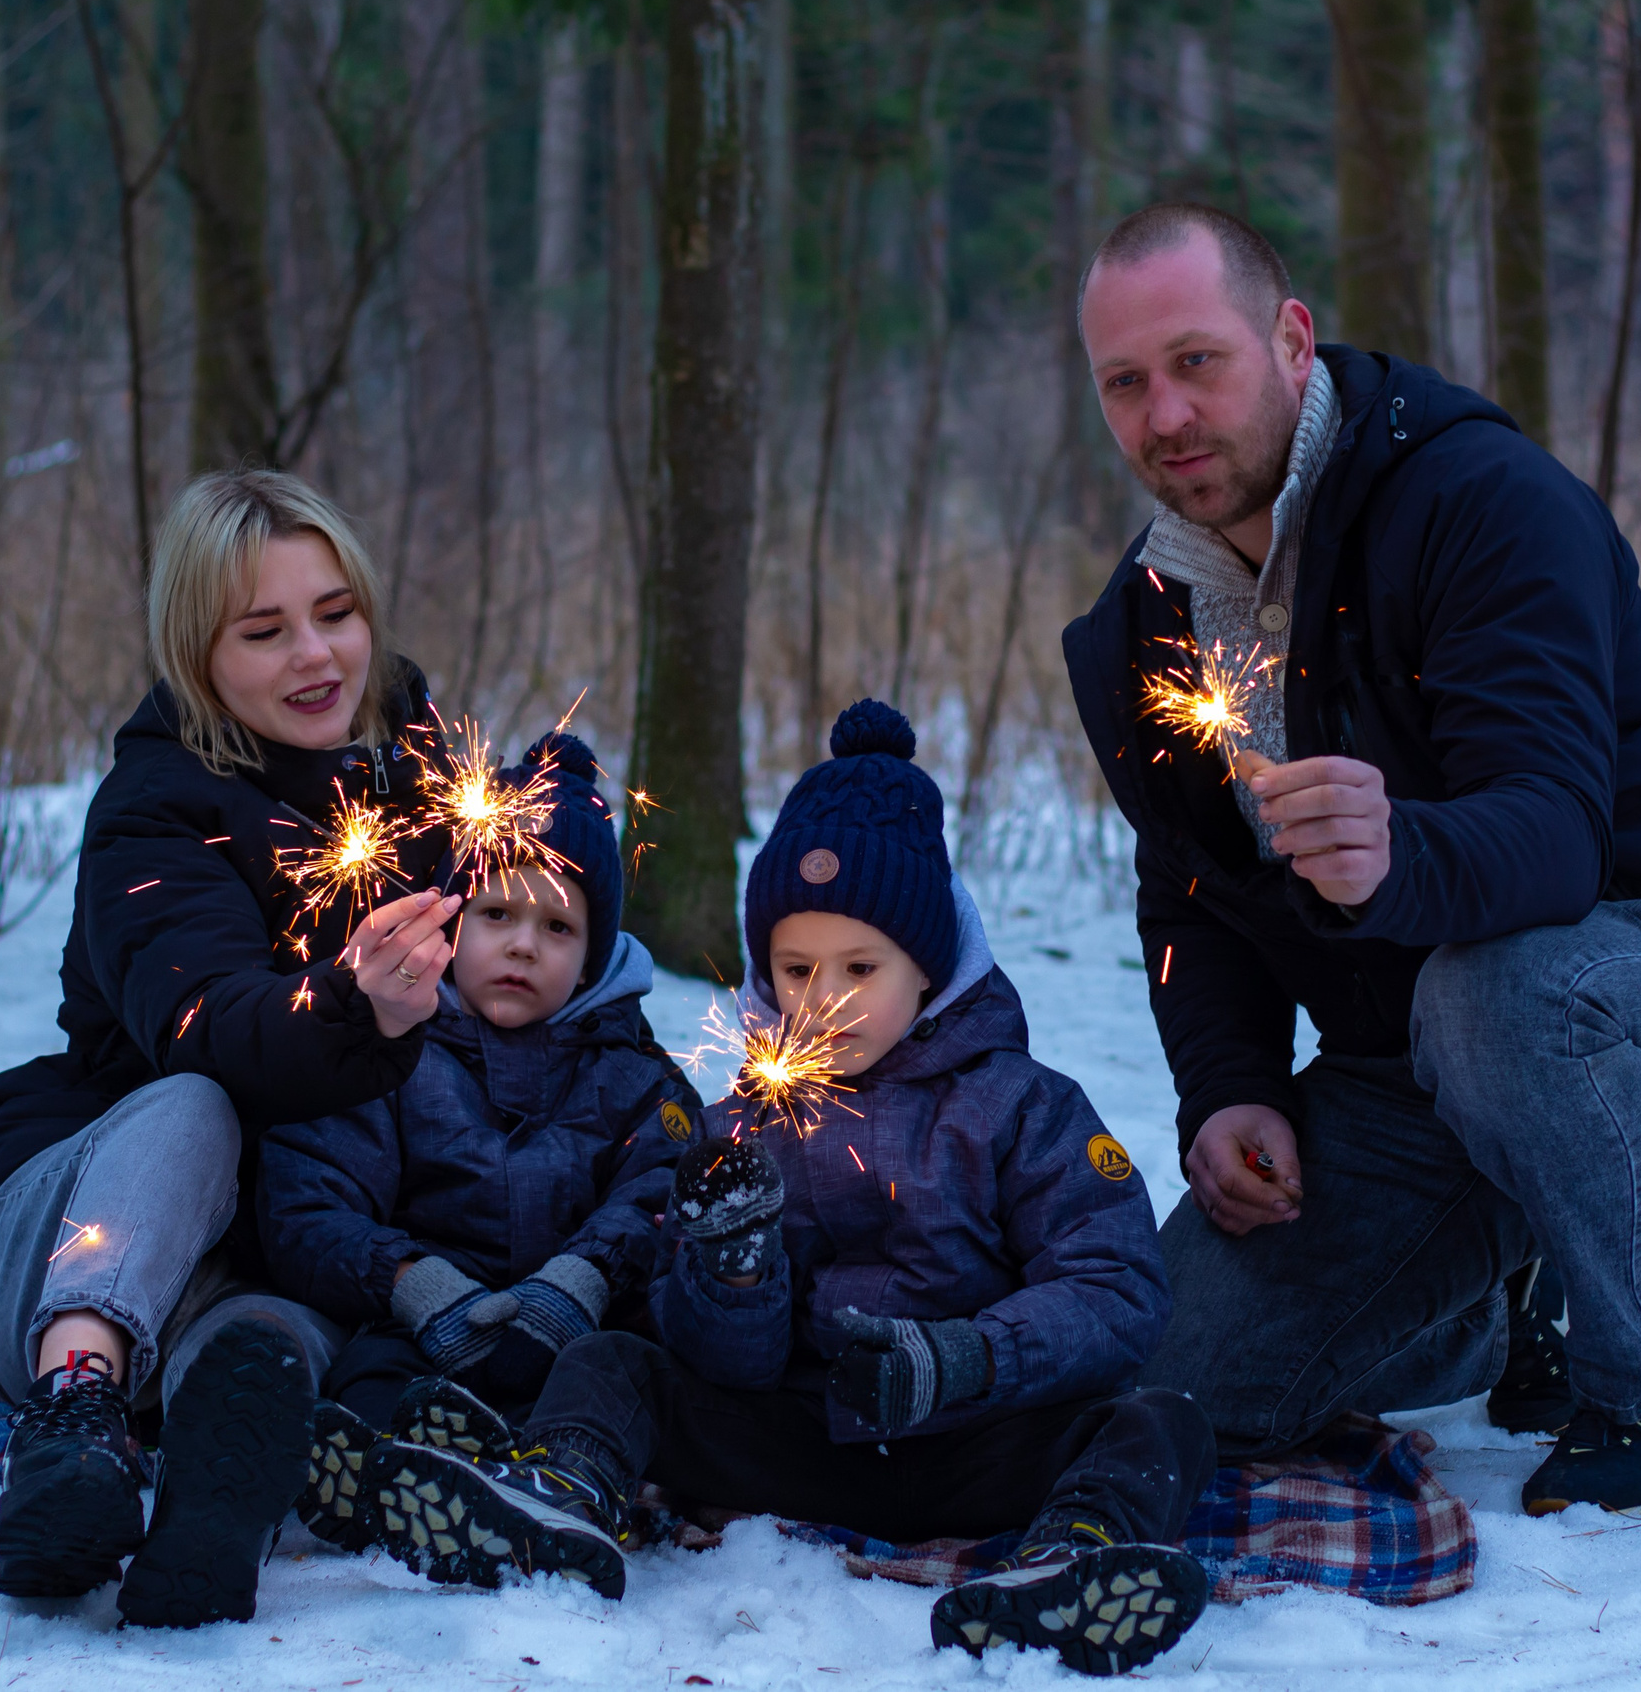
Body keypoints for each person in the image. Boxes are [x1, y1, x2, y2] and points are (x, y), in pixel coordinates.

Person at [1064, 203, 1641, 1518]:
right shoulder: (1144, 621)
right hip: (1404, 1079)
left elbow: (1558, 832)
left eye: (1197, 361)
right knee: (1170, 1374)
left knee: (1501, 992)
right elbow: (1187, 887)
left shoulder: (1478, 503)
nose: (1165, 412)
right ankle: (1504, 1290)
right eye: (1125, 382)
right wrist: (1228, 1089)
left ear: (1292, 340)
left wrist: (1400, 849)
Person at [351, 702, 1217, 1678]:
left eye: (861, 968)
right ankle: (555, 1499)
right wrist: (730, 1271)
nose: (826, 997)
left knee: (1159, 1420)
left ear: (926, 973)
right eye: (796, 968)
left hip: (972, 1443)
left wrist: (966, 1358)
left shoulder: (1023, 1108)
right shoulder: (737, 1125)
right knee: (614, 1361)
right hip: (793, 1439)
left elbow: (1115, 1287)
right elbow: (720, 1356)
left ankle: (1074, 1560)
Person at [0, 470, 462, 1625]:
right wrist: (357, 998)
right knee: (197, 1103)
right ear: (199, 653)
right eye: (265, 631)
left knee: (275, 1333)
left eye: (335, 613)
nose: (315, 655)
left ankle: (207, 1516)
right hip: (75, 1231)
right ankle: (75, 1418)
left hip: (264, 1244)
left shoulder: (425, 783)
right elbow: (213, 1028)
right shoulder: (154, 808)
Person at [256, 732, 702, 1568]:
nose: (524, 944)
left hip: (569, 1325)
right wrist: (408, 1281)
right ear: (451, 916)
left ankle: (539, 1479)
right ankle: (393, 1471)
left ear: (596, 952)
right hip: (427, 1321)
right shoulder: (394, 1050)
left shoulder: (632, 1074)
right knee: (368, 1371)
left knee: (610, 1377)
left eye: (558, 926)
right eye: (497, 913)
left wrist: (585, 1277)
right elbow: (309, 1196)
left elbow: (663, 1190)